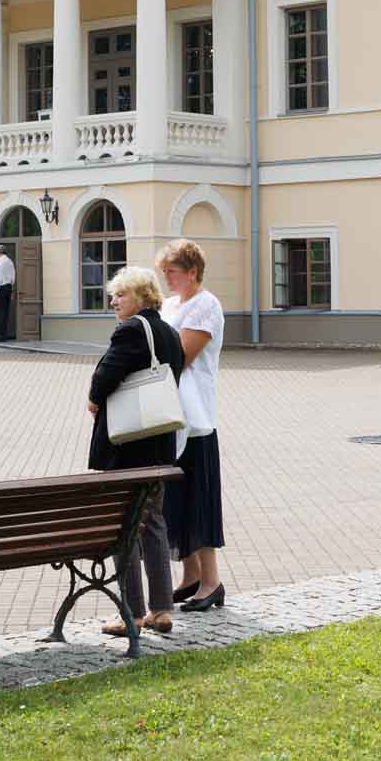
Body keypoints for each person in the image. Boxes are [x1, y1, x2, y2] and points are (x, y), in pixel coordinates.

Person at [85, 265, 184, 637]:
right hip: (159, 441)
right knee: (154, 523)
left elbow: (106, 375)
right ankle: (162, 609)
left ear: (141, 296)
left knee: (125, 528)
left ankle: (133, 613)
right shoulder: (169, 333)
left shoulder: (131, 330)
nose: (113, 301)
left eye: (120, 294)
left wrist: (94, 400)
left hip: (128, 446)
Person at [157, 239, 228, 612]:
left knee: (199, 500)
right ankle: (190, 576)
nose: (166, 277)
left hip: (196, 417)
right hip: (170, 416)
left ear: (192, 271)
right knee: (177, 501)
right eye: (164, 270)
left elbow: (182, 355)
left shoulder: (206, 305)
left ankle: (211, 581)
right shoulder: (171, 305)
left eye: (172, 271)